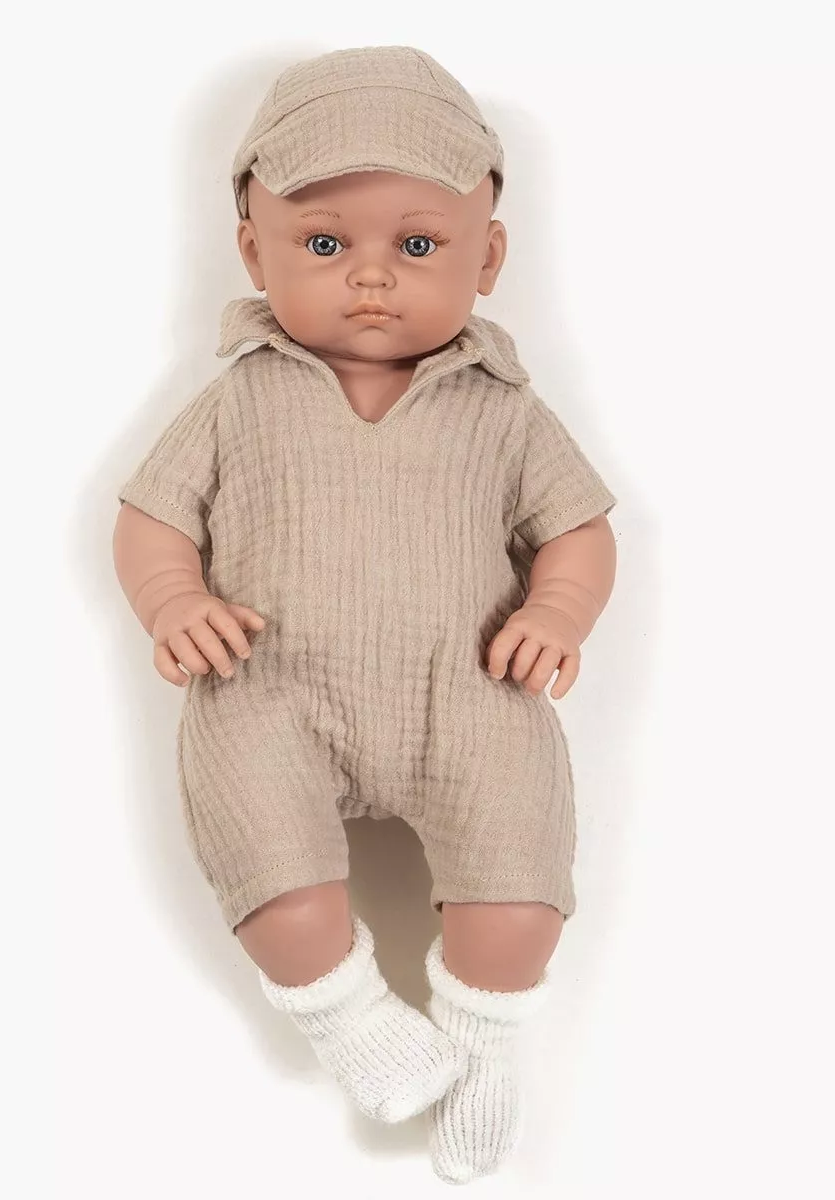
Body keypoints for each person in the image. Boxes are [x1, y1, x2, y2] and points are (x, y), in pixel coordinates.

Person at [112, 45, 617, 1183]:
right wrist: (173, 597)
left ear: (489, 259)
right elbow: (150, 518)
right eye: (326, 244)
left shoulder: (503, 408)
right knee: (274, 887)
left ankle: (481, 1050)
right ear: (255, 251)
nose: (372, 278)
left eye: (419, 246)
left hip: (472, 688)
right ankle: (352, 1025)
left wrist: (560, 609)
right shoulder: (239, 396)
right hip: (269, 689)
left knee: (519, 900)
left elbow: (580, 529)